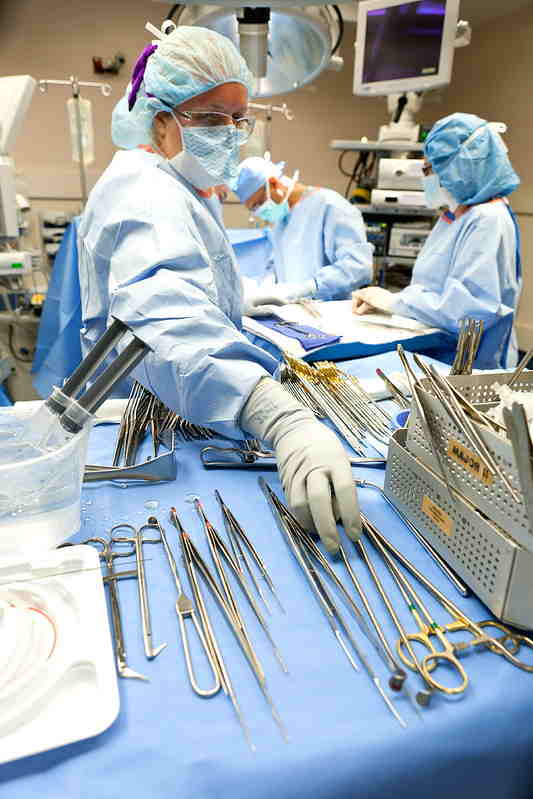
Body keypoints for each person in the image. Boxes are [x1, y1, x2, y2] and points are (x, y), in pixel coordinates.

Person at [77, 23, 360, 554]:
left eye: (237, 120)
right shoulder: (144, 187)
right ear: (160, 122)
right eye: (209, 119)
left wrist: (244, 298)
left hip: (184, 395)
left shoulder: (176, 183)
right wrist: (281, 418)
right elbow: (165, 315)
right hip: (159, 403)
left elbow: (186, 279)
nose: (229, 133)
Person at [352, 113, 521, 369]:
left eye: (430, 169)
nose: (426, 179)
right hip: (438, 353)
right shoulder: (455, 217)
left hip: (467, 367)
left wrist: (394, 302)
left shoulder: (487, 219)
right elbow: (432, 288)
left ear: (462, 167)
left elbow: (469, 310)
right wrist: (392, 306)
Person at [232, 155, 374, 313]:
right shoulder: (281, 222)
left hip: (333, 314)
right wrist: (265, 289)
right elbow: (279, 267)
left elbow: (358, 268)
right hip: (295, 314)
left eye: (259, 203)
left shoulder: (331, 206)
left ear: (273, 183)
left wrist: (310, 288)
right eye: (253, 208)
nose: (259, 211)